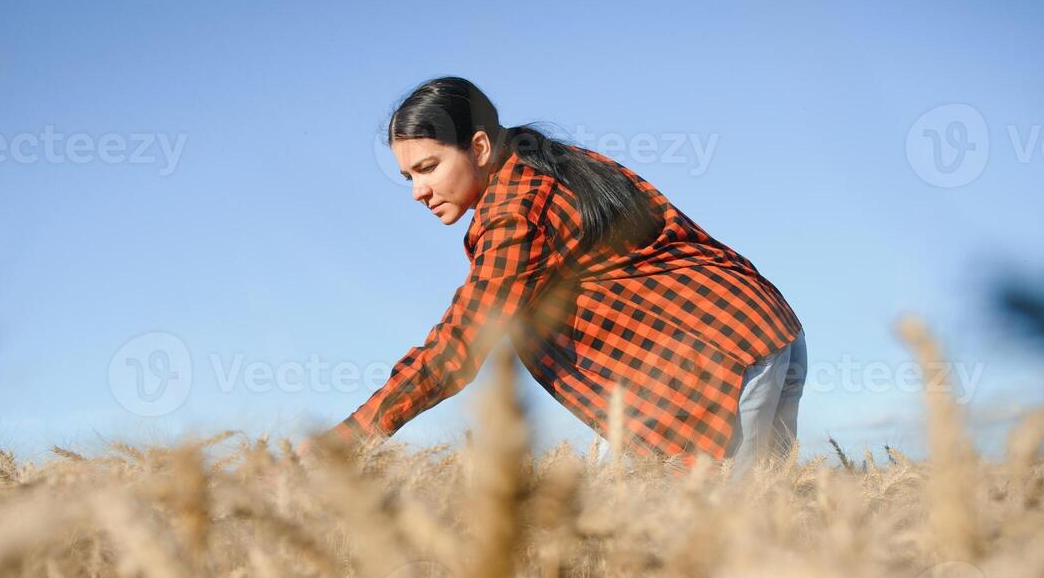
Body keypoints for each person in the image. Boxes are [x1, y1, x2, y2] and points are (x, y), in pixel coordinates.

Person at [312, 77, 806, 473]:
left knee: (727, 547)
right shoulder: (554, 164)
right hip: (763, 330)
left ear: (479, 147)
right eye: (408, 177)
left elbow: (458, 346)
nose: (418, 190)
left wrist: (345, 441)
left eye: (428, 167)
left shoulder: (514, 212)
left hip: (720, 362)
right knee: (764, 532)